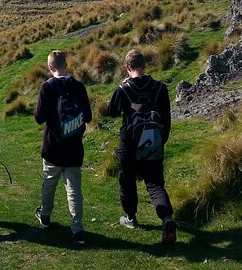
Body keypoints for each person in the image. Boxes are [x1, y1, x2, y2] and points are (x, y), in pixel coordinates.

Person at [107, 49, 177, 244]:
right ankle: (167, 219)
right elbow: (167, 118)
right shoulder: (159, 88)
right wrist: (161, 141)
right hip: (153, 143)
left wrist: (122, 89)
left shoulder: (124, 89)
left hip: (129, 145)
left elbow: (111, 111)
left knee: (127, 181)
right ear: (144, 66)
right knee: (155, 184)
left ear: (127, 67)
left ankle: (131, 217)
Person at [34, 50, 92, 245]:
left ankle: (46, 216)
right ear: (66, 65)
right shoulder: (78, 86)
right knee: (74, 190)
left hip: (53, 147)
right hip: (74, 147)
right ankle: (77, 230)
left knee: (49, 184)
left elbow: (39, 118)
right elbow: (89, 117)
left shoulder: (47, 88)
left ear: (50, 67)